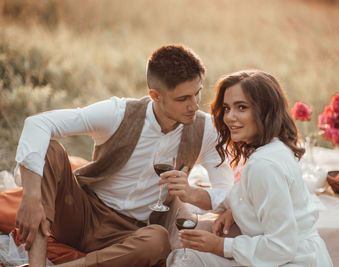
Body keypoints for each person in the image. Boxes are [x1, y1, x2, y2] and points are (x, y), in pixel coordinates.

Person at [14, 45, 233, 267]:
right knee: (50, 150)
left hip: (130, 234)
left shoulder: (205, 130)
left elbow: (226, 191)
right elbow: (38, 124)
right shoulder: (117, 113)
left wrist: (192, 193)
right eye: (183, 98)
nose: (195, 105)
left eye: (198, 93)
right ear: (155, 96)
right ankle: (36, 263)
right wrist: (31, 198)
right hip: (81, 214)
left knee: (158, 240)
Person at [168, 70, 333, 266]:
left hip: (293, 261)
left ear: (265, 111)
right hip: (300, 256)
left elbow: (282, 246)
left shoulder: (264, 165)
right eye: (227, 108)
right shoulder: (275, 148)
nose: (229, 117)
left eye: (242, 107)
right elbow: (244, 197)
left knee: (184, 260)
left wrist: (220, 245)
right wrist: (194, 195)